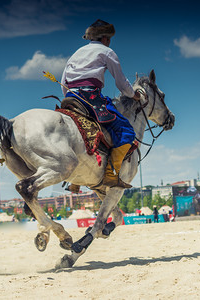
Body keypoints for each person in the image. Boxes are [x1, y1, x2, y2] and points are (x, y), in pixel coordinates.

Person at [61, 19, 140, 189]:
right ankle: (111, 175)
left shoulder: (76, 53)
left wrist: (69, 98)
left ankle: (75, 180)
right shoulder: (107, 52)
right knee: (126, 131)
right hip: (91, 97)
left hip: (71, 97)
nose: (110, 41)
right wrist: (133, 95)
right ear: (104, 38)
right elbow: (121, 82)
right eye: (109, 38)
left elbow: (63, 81)